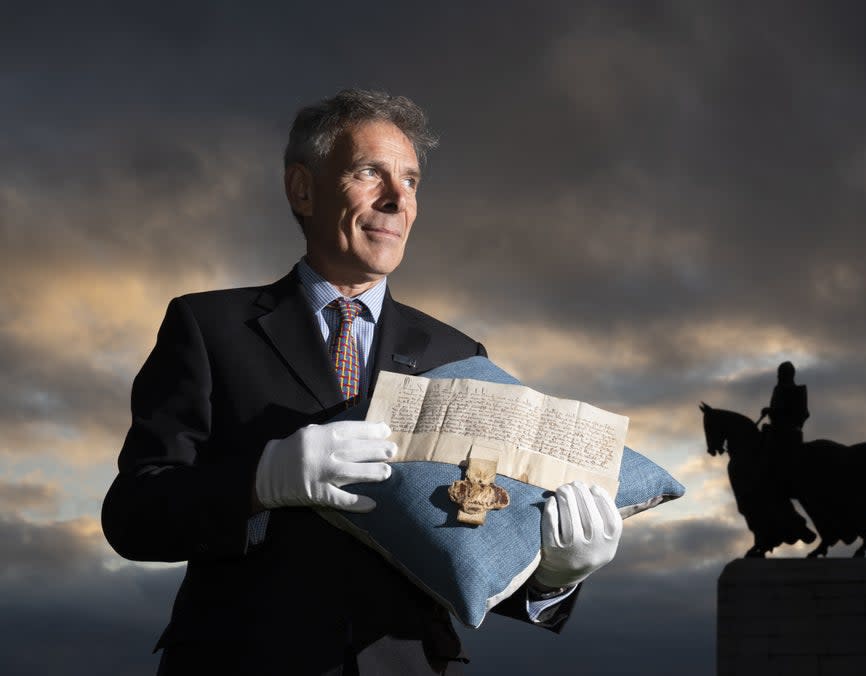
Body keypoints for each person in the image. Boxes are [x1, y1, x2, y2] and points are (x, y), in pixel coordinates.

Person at [101, 89, 622, 675]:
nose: (398, 198)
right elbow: (133, 515)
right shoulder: (208, 327)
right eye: (370, 172)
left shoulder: (459, 354)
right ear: (302, 189)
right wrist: (259, 483)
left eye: (412, 180)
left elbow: (470, 538)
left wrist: (553, 575)